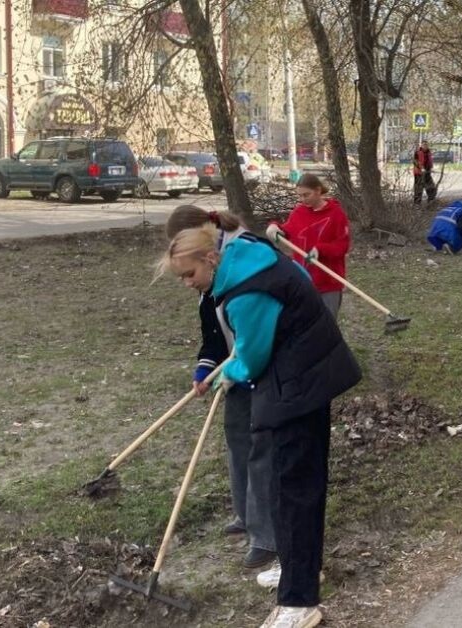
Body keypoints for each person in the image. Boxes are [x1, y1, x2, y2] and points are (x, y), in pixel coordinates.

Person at [156, 226, 362, 628]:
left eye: (189, 274)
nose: (187, 284)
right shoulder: (251, 252)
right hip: (310, 372)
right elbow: (298, 283)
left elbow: (251, 359)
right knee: (298, 483)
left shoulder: (244, 291)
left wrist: (227, 374)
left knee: (292, 489)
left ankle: (299, 602)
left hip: (298, 386)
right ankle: (301, 566)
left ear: (210, 259)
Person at [164, 206, 278, 571]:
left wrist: (238, 367)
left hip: (266, 365)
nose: (187, 279)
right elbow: (213, 329)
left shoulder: (245, 254)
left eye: (188, 271)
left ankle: (266, 535)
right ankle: (245, 514)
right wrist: (207, 366)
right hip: (237, 364)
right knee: (237, 437)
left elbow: (258, 331)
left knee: (262, 447)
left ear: (203, 241)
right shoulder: (204, 270)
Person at [265, 174, 351, 318]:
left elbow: (342, 246)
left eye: (306, 195)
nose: (303, 199)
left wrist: (320, 249)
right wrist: (274, 227)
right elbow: (287, 231)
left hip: (328, 283)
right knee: (304, 324)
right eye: (300, 196)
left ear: (318, 190)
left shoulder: (336, 214)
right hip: (303, 281)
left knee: (326, 324)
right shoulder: (299, 212)